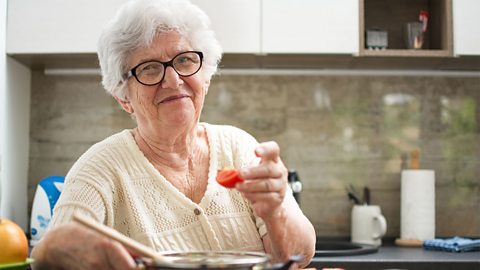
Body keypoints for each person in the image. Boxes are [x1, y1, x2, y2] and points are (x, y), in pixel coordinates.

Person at [31, 0, 316, 269]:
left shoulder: (240, 148)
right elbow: (49, 256)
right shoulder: (99, 169)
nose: (173, 80)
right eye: (149, 68)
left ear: (204, 76)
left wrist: (276, 212)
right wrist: (53, 250)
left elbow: (298, 258)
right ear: (123, 97)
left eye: (184, 60)